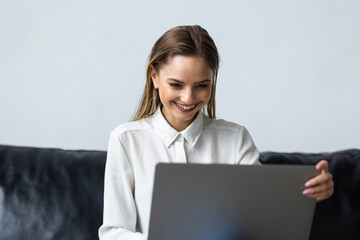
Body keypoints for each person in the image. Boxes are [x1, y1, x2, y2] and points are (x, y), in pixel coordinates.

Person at [98, 25, 334, 240]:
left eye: (202, 86)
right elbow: (113, 233)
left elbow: (262, 216)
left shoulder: (235, 139)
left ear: (213, 81)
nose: (188, 98)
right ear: (154, 76)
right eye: (176, 85)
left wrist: (309, 192)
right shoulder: (126, 141)